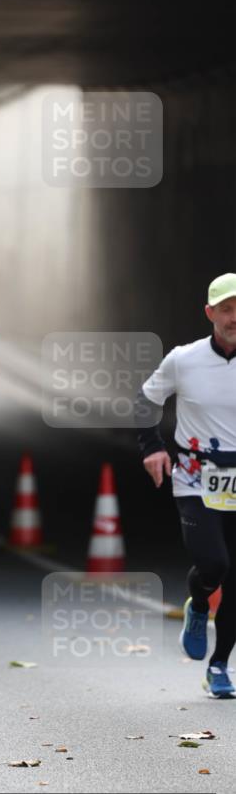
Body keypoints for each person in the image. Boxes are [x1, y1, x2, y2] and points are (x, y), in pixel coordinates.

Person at [137, 272, 236, 698]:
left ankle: (219, 666)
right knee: (214, 564)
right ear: (210, 313)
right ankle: (199, 602)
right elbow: (145, 401)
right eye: (228, 309)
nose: (235, 317)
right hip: (197, 477)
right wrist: (152, 447)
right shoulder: (184, 359)